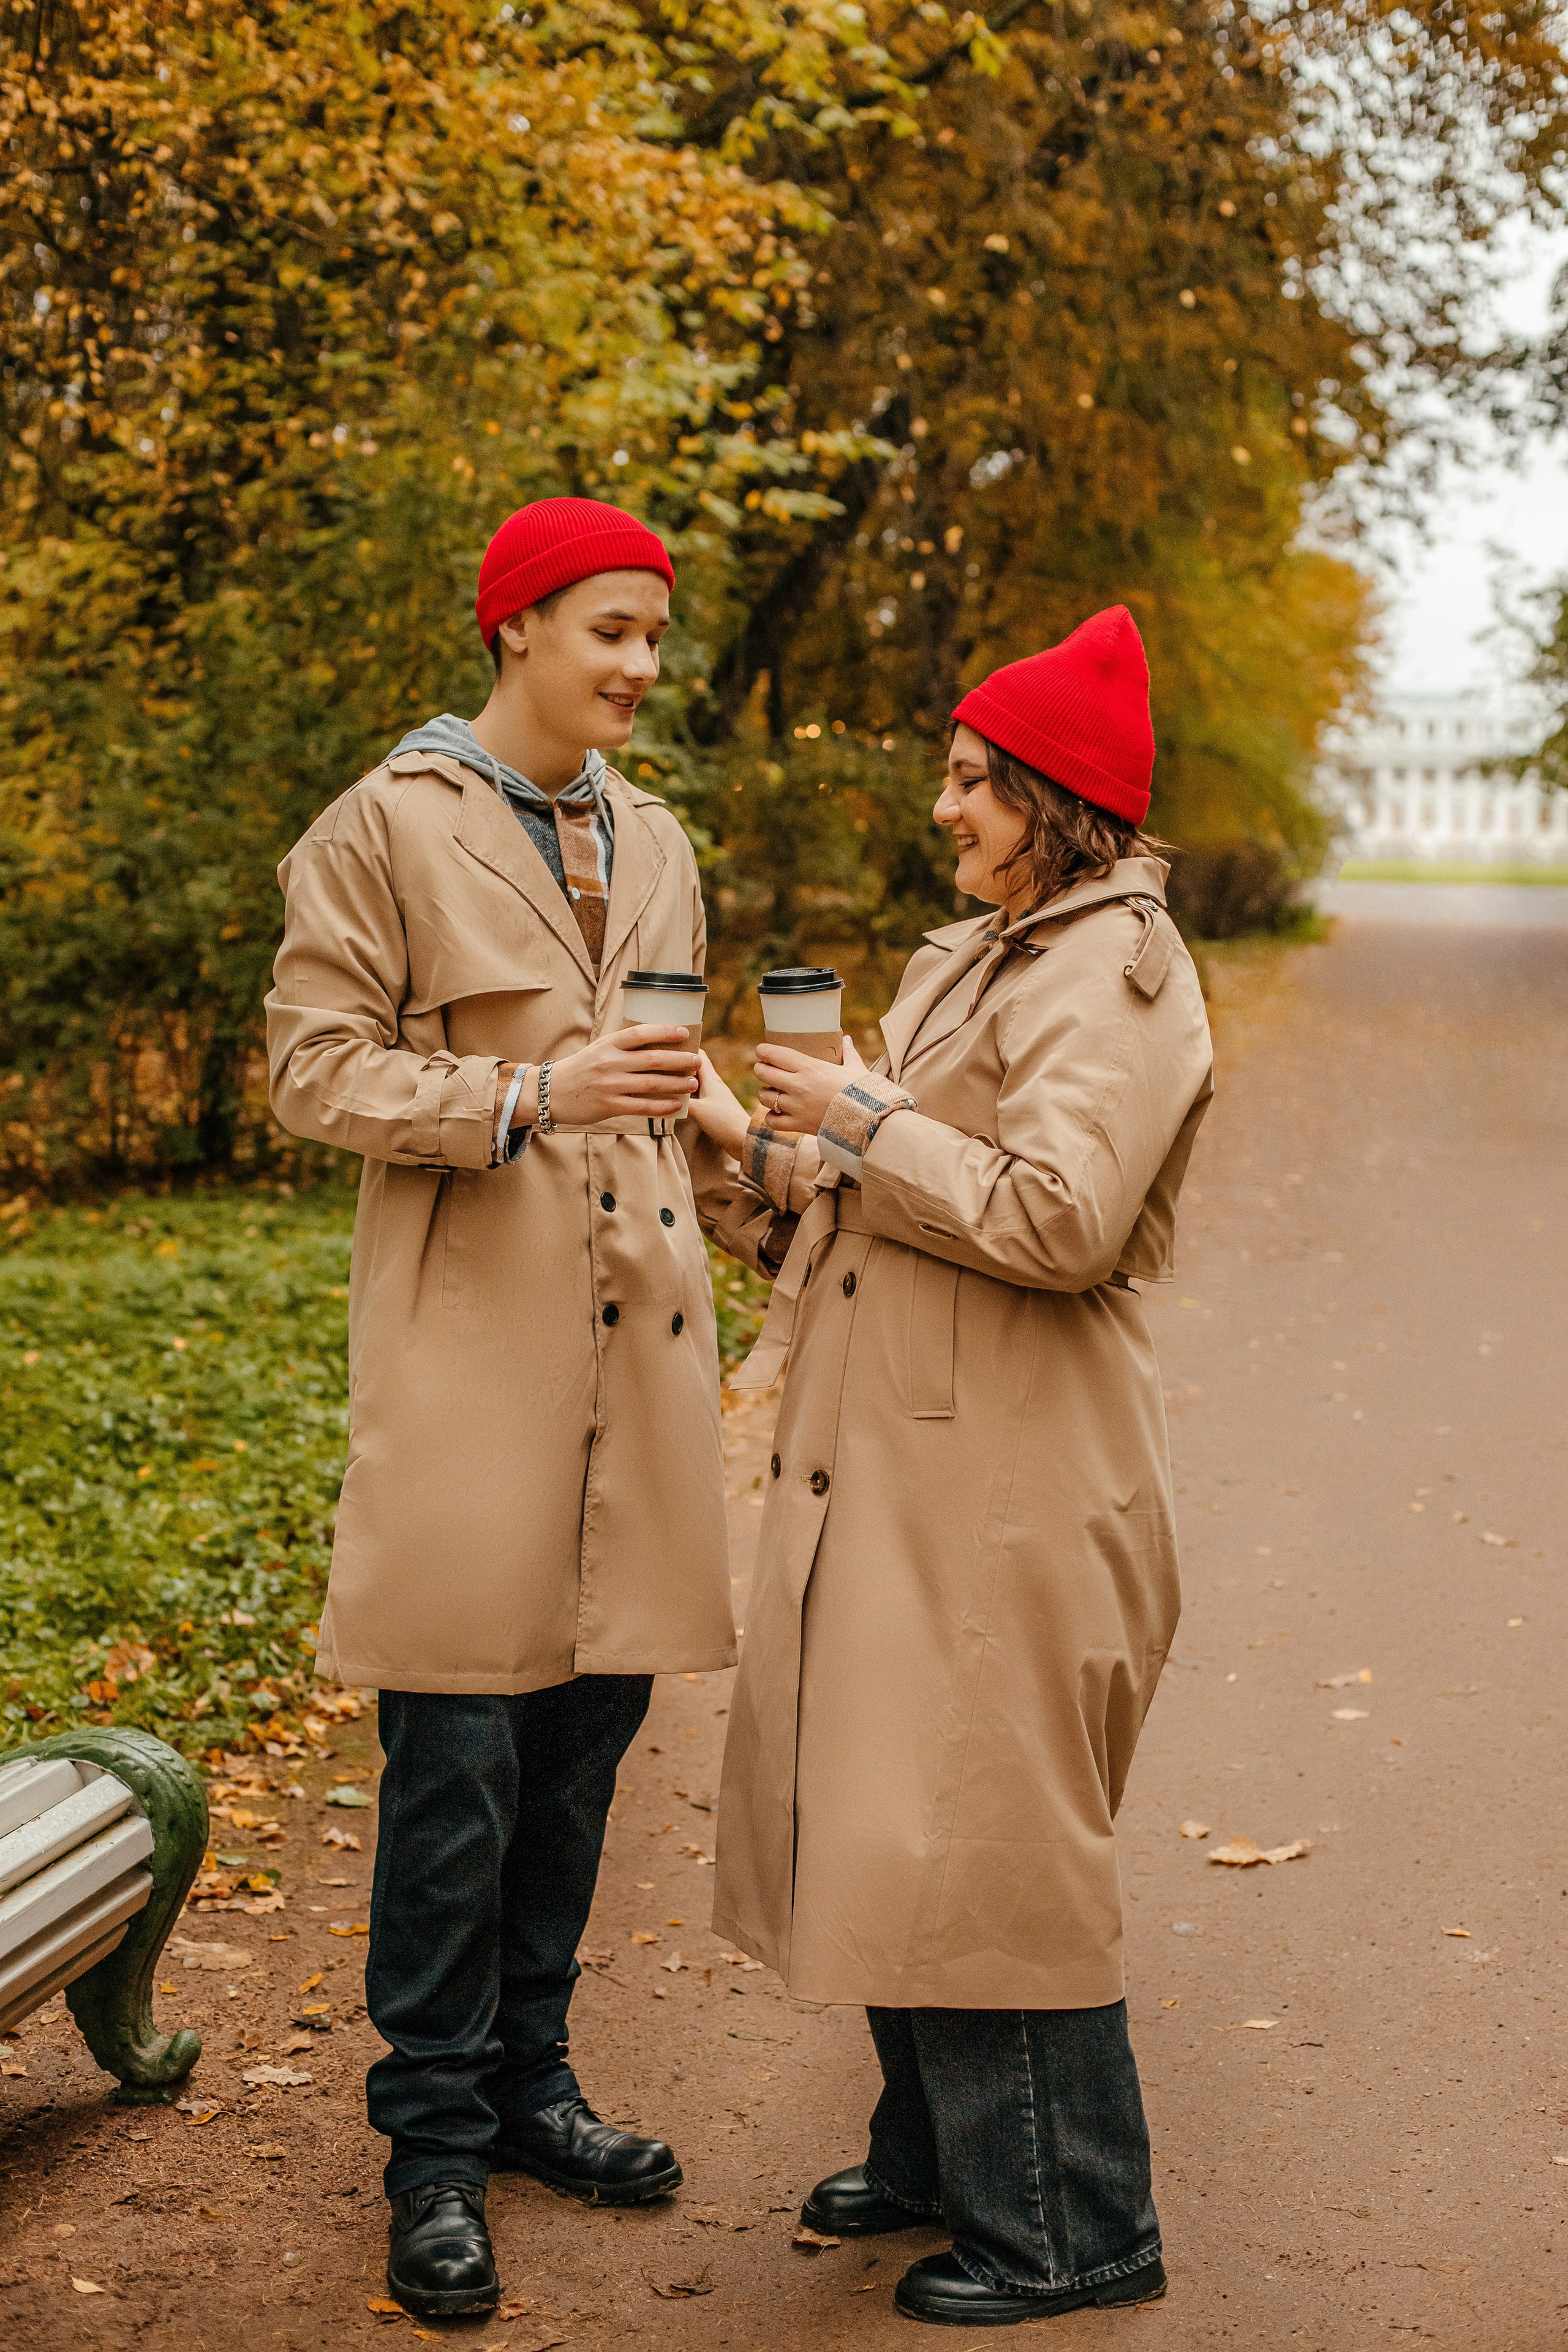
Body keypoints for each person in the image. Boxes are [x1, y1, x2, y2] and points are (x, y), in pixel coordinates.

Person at [683, 607, 1214, 2324]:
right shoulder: (974, 954)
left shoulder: (1116, 972)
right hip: (903, 1458)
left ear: (1055, 800)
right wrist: (749, 1150)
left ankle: (1075, 2226)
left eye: (975, 781)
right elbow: (904, 1191)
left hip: (1013, 1475)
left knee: (990, 1837)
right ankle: (936, 2161)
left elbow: (1057, 1219)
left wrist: (859, 1120)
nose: (947, 807)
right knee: (891, 1810)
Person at [266, 497, 735, 2320]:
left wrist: (748, 1131)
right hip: (473, 1368)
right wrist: (527, 1092)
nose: (636, 664)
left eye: (652, 635)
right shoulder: (384, 828)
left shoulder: (662, 838)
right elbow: (312, 1073)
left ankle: (534, 2084)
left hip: (642, 1364)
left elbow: (664, 1081)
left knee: (581, 1754)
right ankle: (432, 2147)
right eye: (608, 628)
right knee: (454, 1771)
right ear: (518, 627)